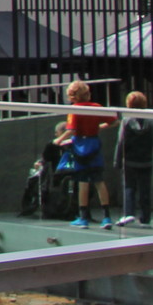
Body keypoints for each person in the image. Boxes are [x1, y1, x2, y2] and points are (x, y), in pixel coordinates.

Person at [54, 80, 116, 229]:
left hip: (80, 147)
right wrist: (98, 128)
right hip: (94, 145)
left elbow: (72, 130)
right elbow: (114, 122)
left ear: (72, 97)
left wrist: (58, 140)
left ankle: (83, 218)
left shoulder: (74, 110)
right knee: (99, 181)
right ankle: (107, 217)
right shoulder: (97, 107)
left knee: (83, 182)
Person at [113, 90, 153, 227]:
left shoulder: (126, 122)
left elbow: (120, 142)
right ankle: (145, 217)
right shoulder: (150, 122)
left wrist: (117, 160)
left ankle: (128, 214)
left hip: (130, 161)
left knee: (129, 187)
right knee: (145, 190)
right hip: (146, 161)